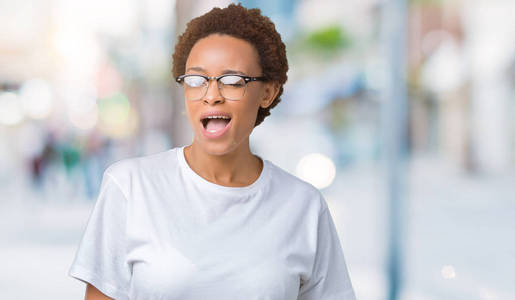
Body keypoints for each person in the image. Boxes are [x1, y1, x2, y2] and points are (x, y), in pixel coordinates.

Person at [68, 3, 356, 300]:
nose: (212, 95)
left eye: (233, 81)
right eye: (196, 80)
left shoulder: (304, 206)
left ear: (267, 93)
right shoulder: (130, 186)